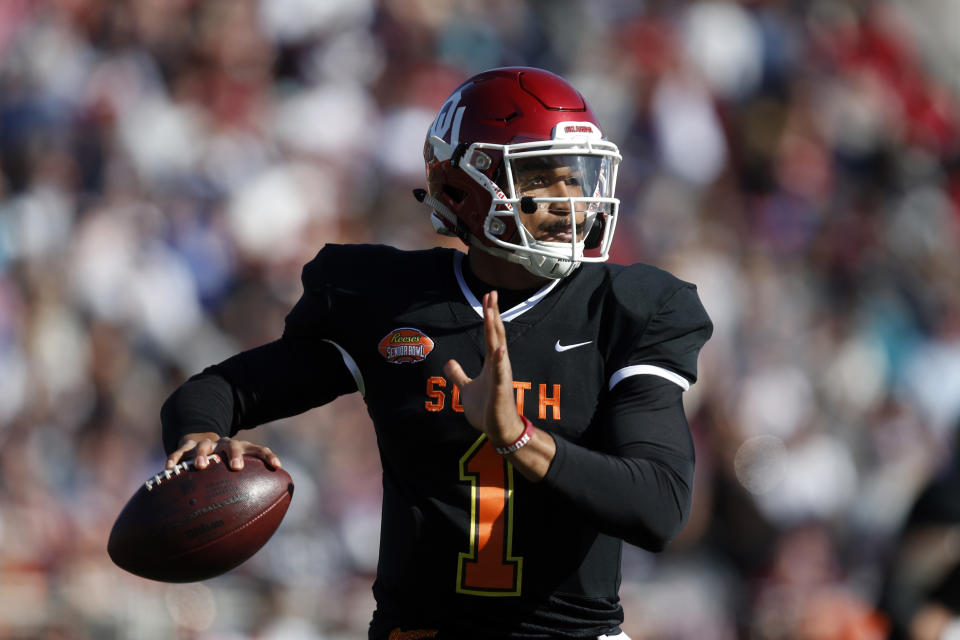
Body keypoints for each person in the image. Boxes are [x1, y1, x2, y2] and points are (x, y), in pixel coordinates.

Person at [161, 66, 713, 639]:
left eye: (578, 177)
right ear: (461, 189)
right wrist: (200, 436)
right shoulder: (391, 303)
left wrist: (519, 438)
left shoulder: (626, 308)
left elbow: (660, 507)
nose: (570, 198)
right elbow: (217, 390)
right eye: (543, 177)